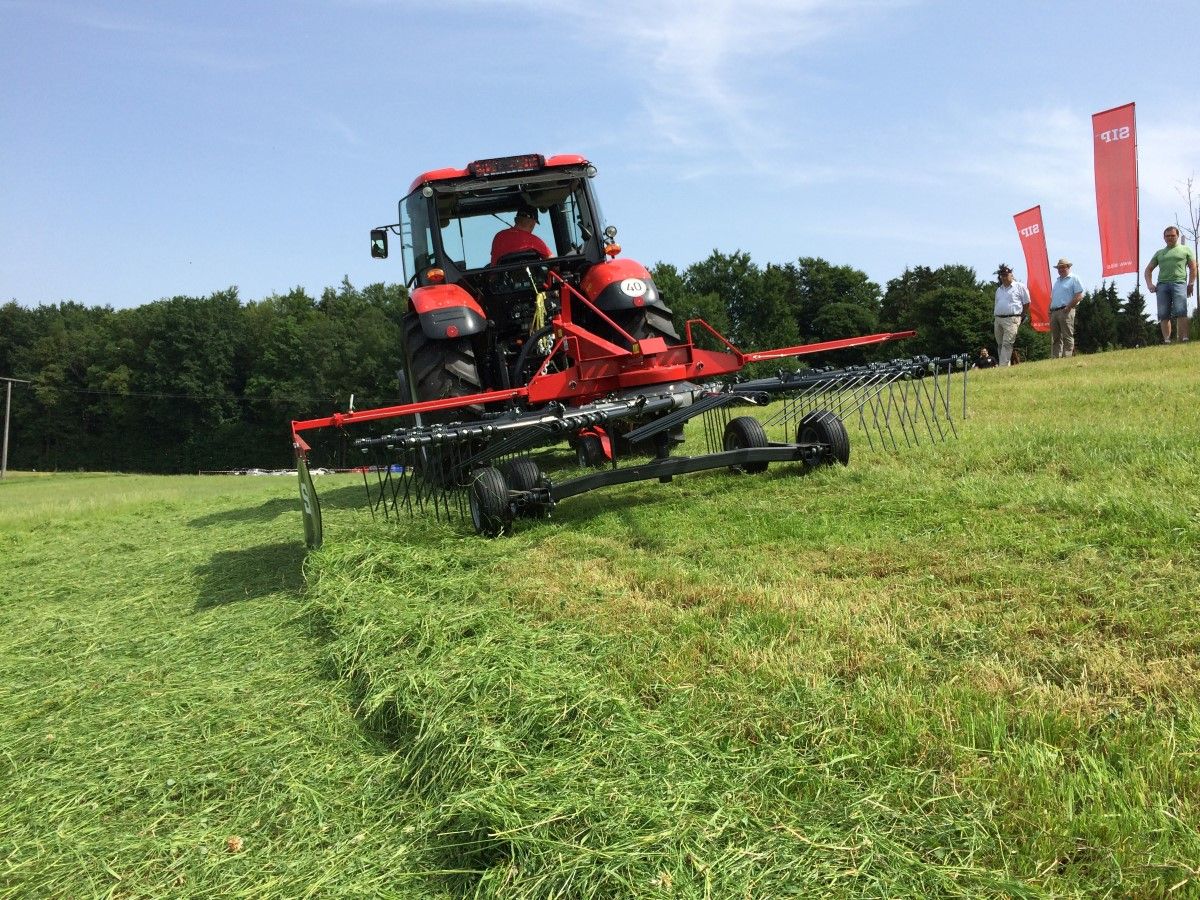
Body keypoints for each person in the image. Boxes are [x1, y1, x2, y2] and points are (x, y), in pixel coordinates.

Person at [1144, 225, 1197, 344]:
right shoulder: (1159, 253)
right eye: (1167, 236)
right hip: (1162, 286)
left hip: (1179, 283)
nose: (1170, 238)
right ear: (1164, 238)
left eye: (1172, 236)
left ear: (1177, 236)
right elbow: (1148, 270)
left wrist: (1191, 283)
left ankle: (1185, 338)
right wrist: (1150, 284)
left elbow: (1193, 267)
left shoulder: (1185, 250)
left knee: (1181, 311)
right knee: (1163, 314)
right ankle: (1167, 340)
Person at [993, 264, 1030, 366]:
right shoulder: (999, 289)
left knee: (1007, 343)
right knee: (1000, 344)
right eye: (1002, 275)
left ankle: (1003, 366)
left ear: (1011, 275)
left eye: (1006, 275)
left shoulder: (1019, 286)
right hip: (998, 319)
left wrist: (1022, 316)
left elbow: (1026, 303)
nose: (1004, 277)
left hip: (1012, 318)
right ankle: (1005, 364)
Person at [1048, 257, 1083, 358]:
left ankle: (1067, 357)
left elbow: (1079, 295)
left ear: (1068, 267)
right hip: (1054, 312)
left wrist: (1068, 307)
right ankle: (1055, 358)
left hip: (1066, 310)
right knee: (1055, 337)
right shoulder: (1057, 282)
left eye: (1063, 267)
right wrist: (1049, 310)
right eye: (1059, 268)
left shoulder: (1074, 278)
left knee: (1067, 335)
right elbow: (1052, 298)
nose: (1060, 269)